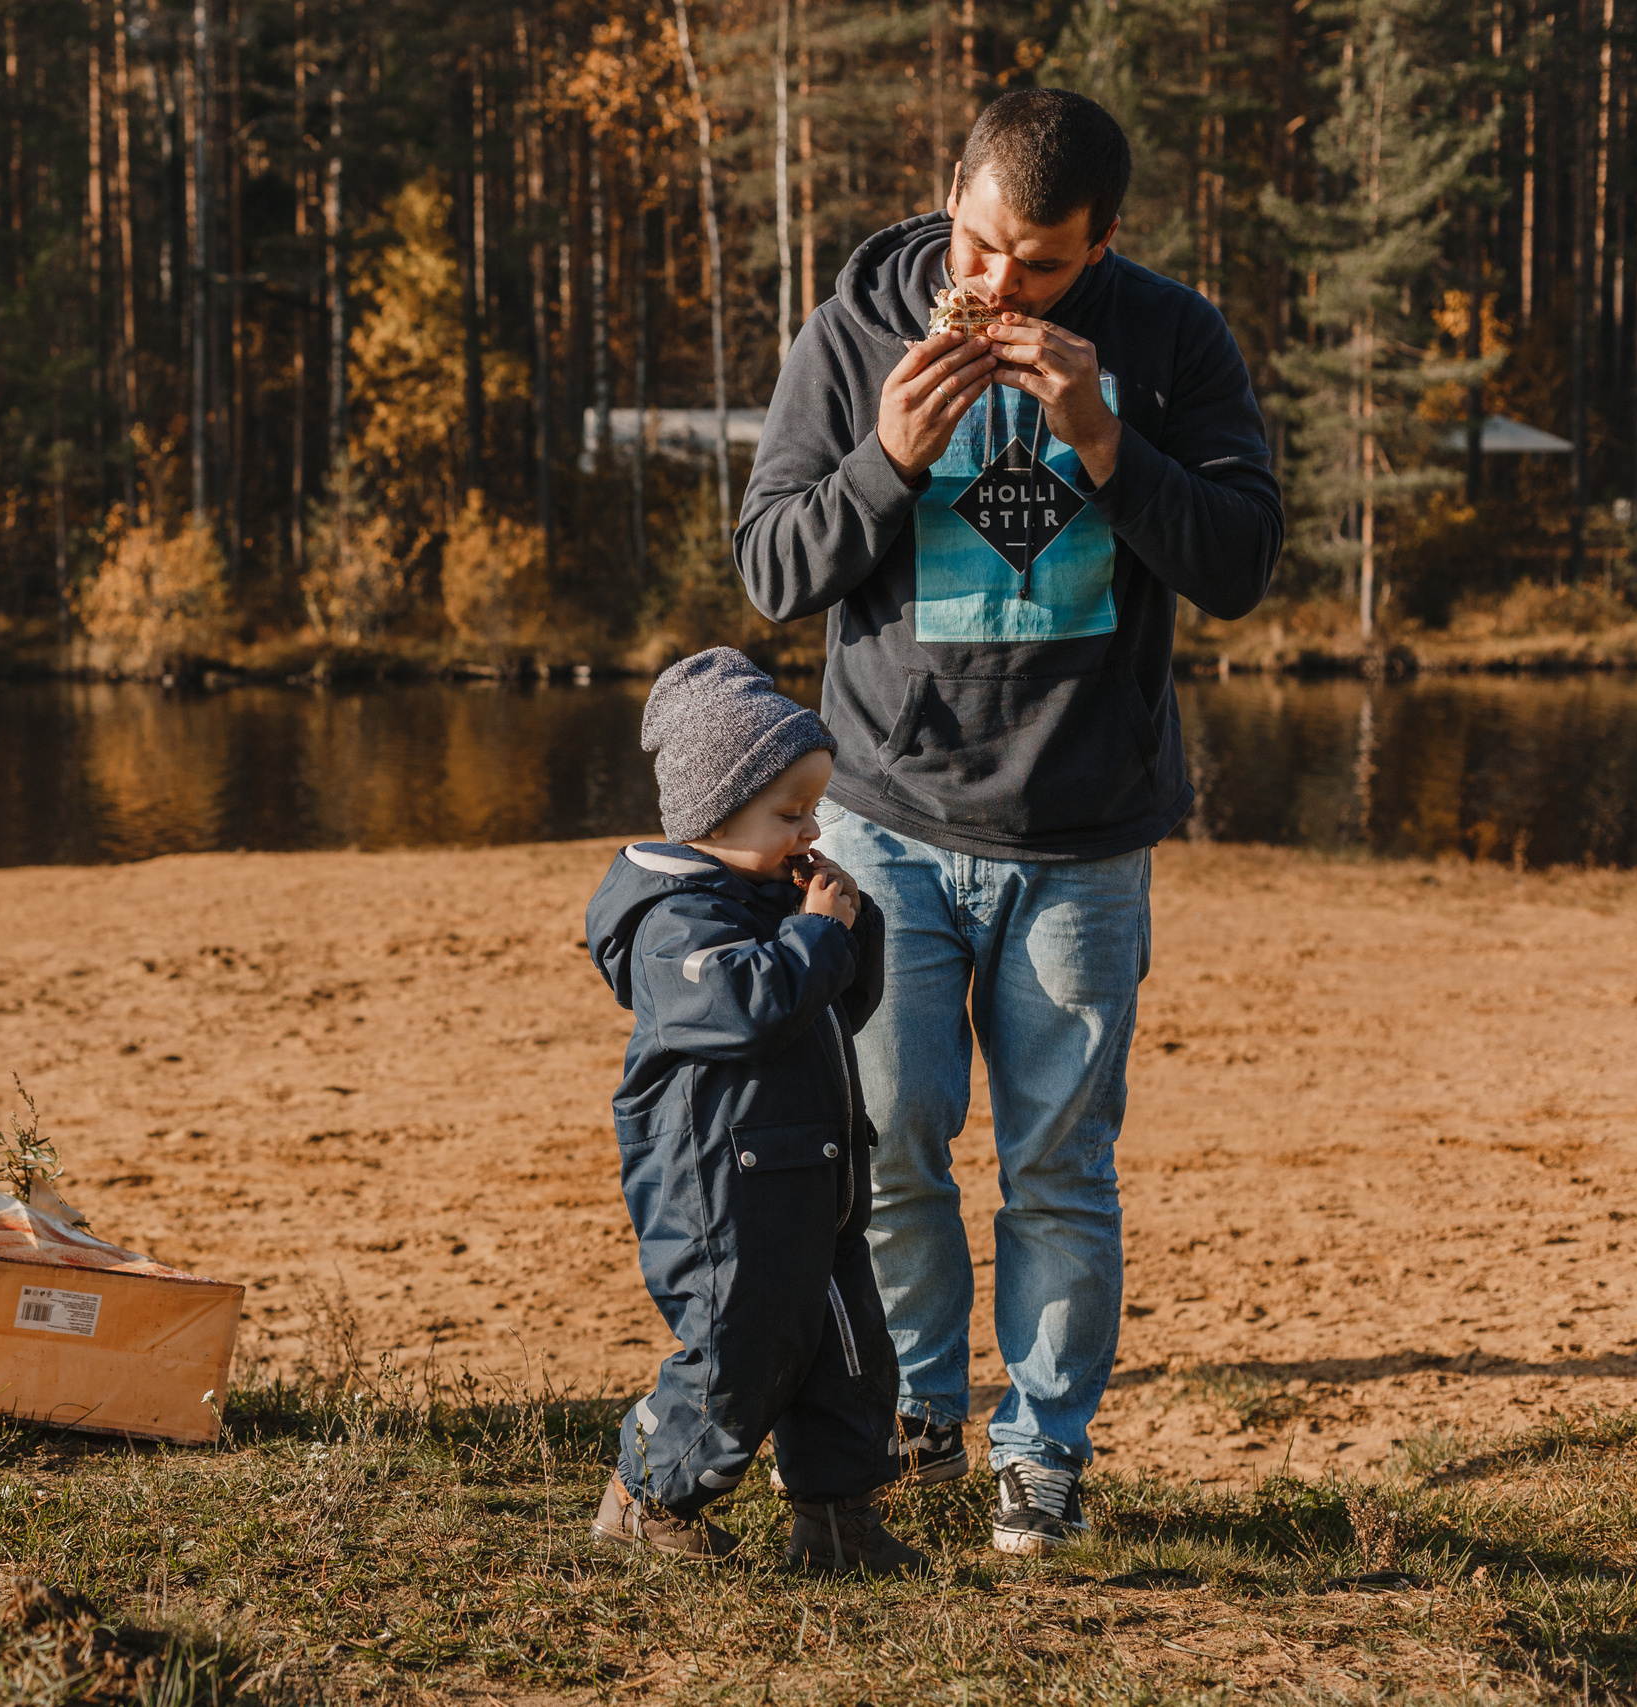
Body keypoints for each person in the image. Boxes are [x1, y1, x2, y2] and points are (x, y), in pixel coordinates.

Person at [733, 89, 1283, 1555]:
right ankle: (920, 1405)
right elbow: (774, 570)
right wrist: (889, 462)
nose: (996, 288)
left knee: (1059, 1165)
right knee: (892, 1135)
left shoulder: (1172, 342)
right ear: (951, 192)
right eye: (980, 246)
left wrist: (1106, 436)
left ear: (1102, 244)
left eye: (1040, 267)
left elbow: (1238, 560)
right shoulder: (851, 332)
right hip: (882, 818)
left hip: (1086, 835)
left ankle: (1041, 1454)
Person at [583, 649, 916, 1575]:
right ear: (712, 815)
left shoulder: (771, 897)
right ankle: (647, 1498)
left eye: (814, 806)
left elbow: (835, 1004)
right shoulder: (673, 923)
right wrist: (812, 935)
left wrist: (849, 926)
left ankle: (838, 1519)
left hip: (815, 1183)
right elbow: (739, 1006)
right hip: (720, 1198)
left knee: (850, 1356)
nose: (810, 827)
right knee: (740, 1356)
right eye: (790, 812)